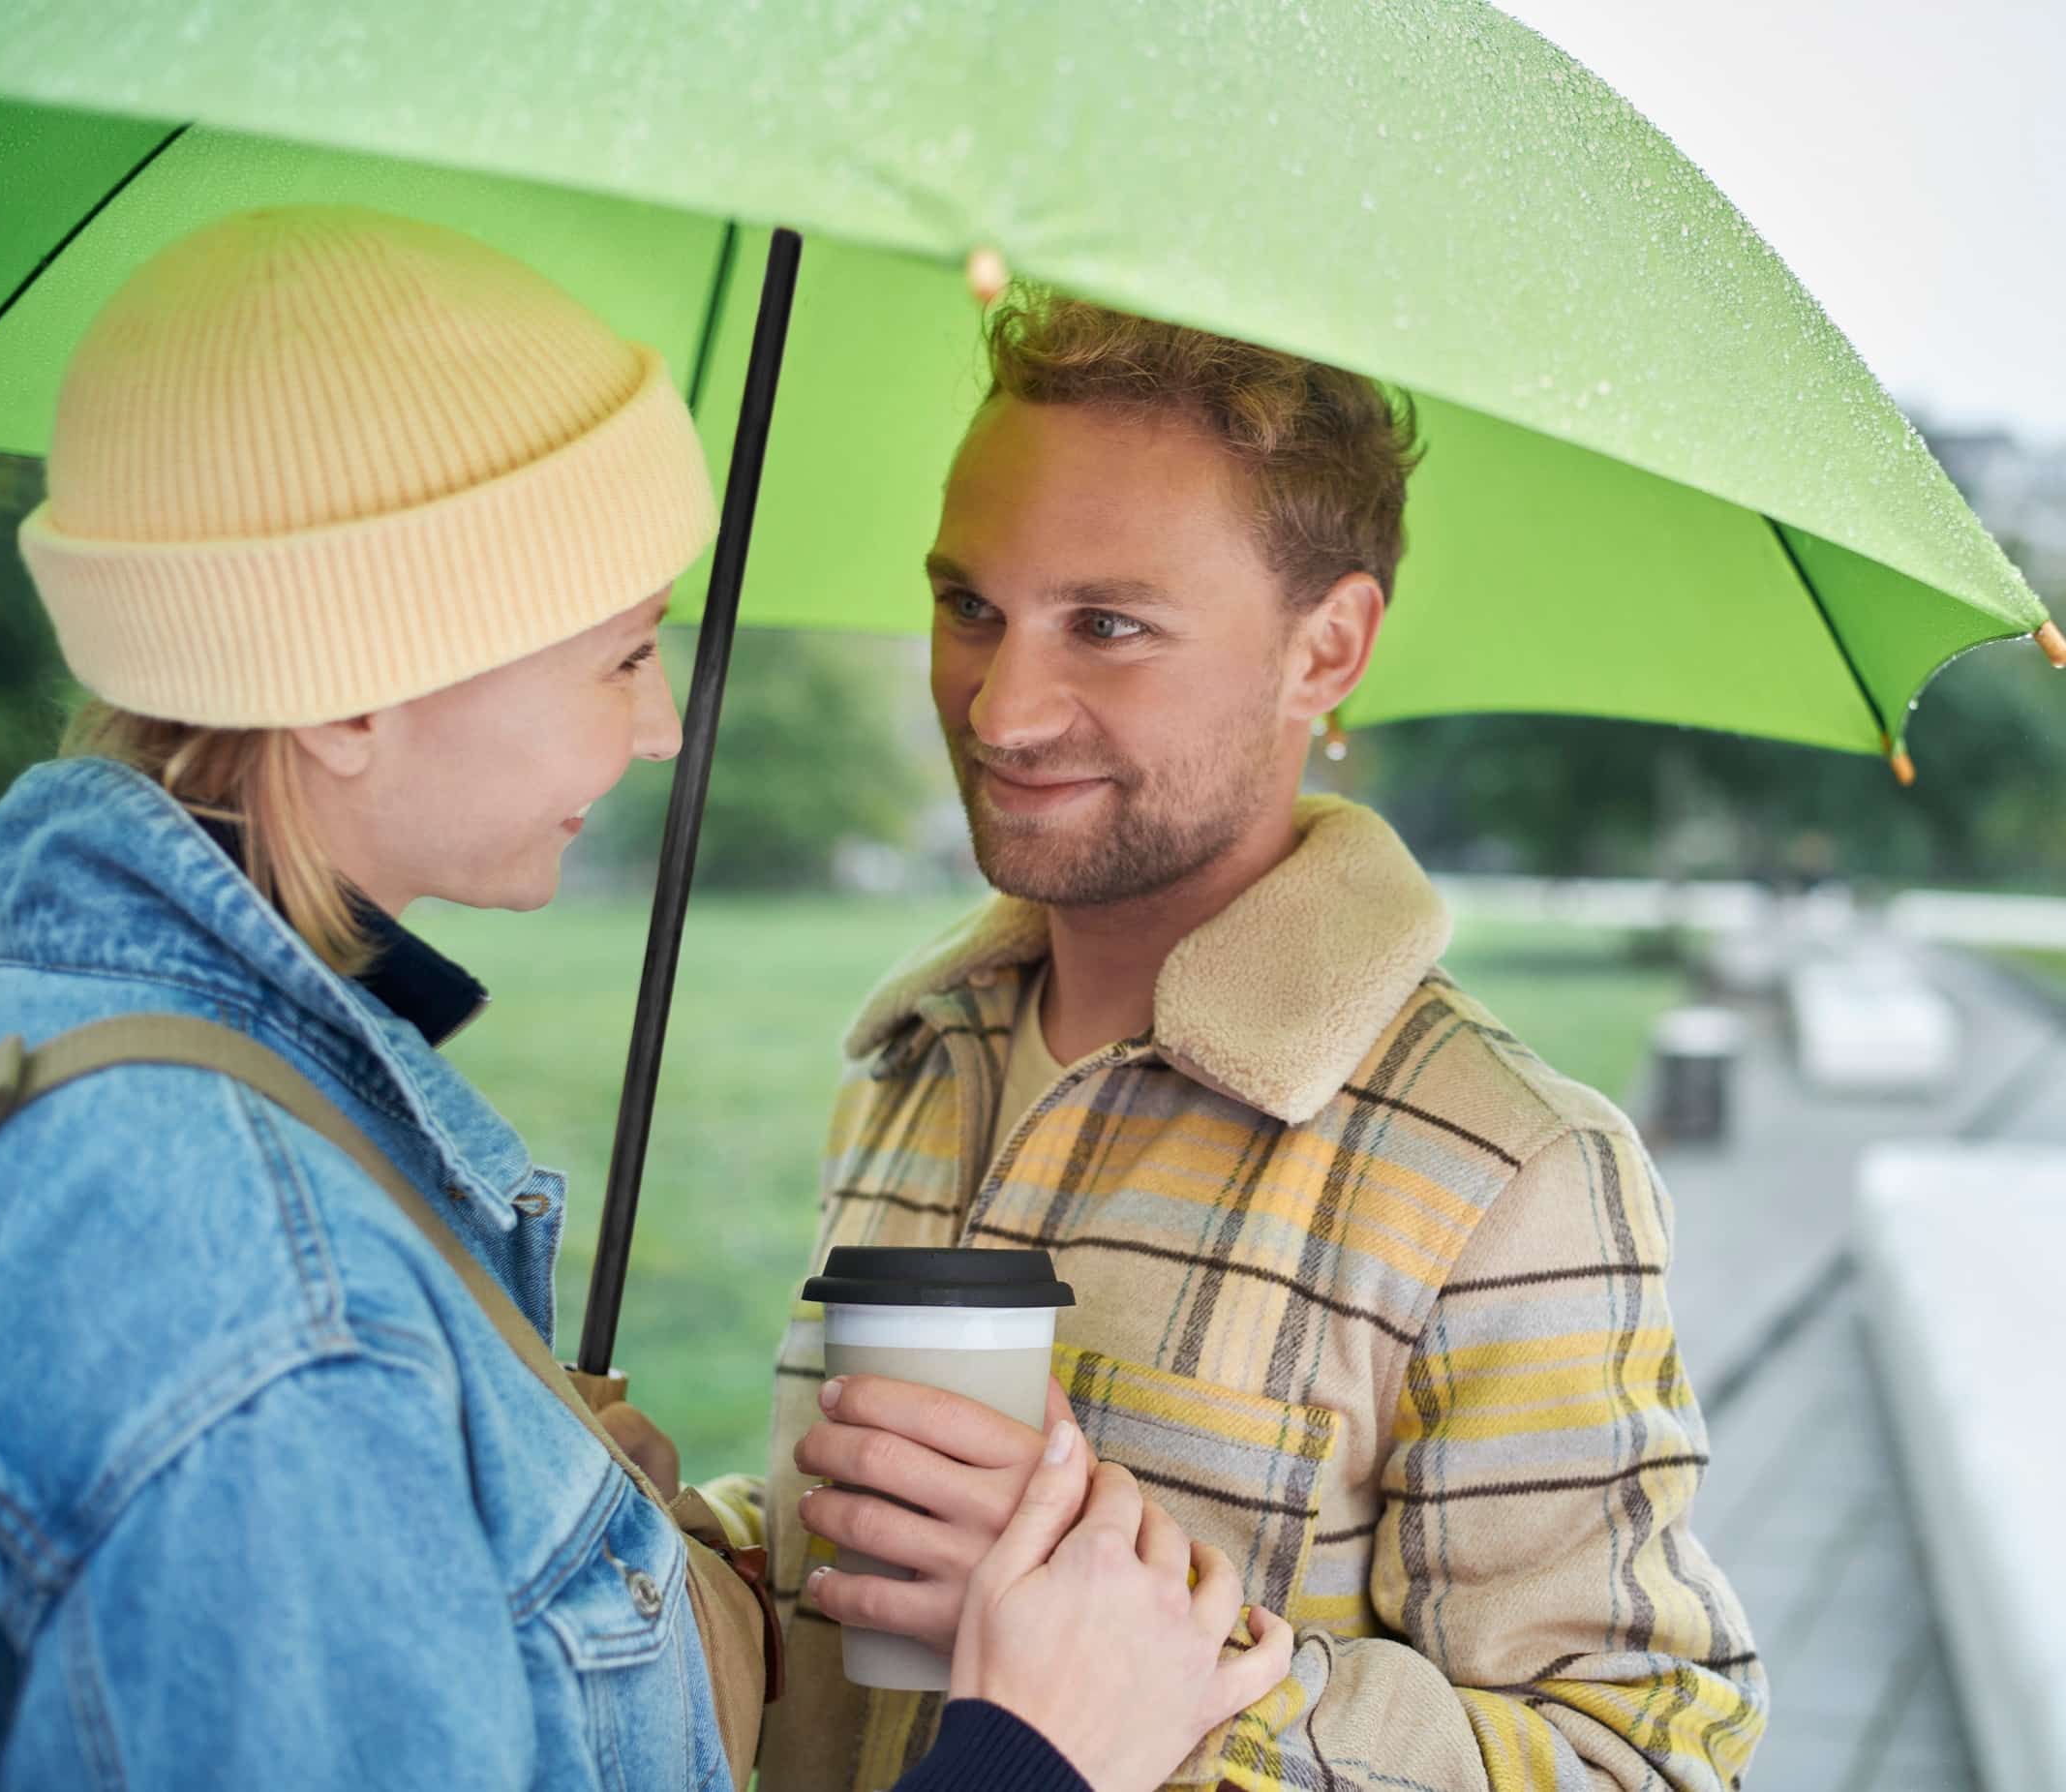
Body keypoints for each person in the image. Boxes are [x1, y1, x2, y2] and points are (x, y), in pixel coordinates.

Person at [0, 205, 1285, 1792]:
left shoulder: (37, 1053)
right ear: (353, 685)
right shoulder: (280, 1319)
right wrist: (1035, 1754)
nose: (662, 728)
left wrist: (520, 1504)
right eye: (623, 654)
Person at [743, 294, 1768, 1790]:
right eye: (971, 606)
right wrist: (664, 1553)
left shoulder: (1514, 1178)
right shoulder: (920, 1058)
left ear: (1327, 648)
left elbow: (1646, 1762)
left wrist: (1176, 1685)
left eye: (1107, 625)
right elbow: (827, 1626)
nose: (1003, 706)